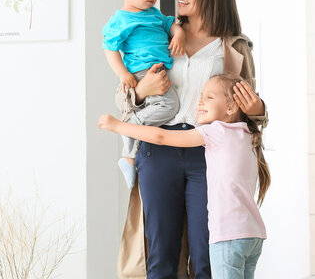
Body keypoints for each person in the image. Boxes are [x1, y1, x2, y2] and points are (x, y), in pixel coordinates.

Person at [114, 0, 268, 279]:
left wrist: (257, 111)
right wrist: (142, 90)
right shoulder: (156, 29)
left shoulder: (234, 47)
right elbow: (125, 96)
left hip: (208, 155)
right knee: (159, 257)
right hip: (158, 149)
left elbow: (247, 113)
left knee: (207, 255)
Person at [99, 73, 270, 279]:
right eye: (201, 96)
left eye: (209, 97)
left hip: (228, 236)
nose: (200, 101)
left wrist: (117, 126)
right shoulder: (249, 134)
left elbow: (161, 137)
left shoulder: (215, 132)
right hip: (253, 234)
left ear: (232, 107)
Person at [102, 0, 185, 189]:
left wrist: (178, 34)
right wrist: (123, 75)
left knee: (159, 115)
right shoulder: (121, 19)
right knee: (169, 107)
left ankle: (129, 156)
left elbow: (172, 25)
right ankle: (129, 125)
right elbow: (110, 48)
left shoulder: (154, 14)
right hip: (140, 73)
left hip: (157, 71)